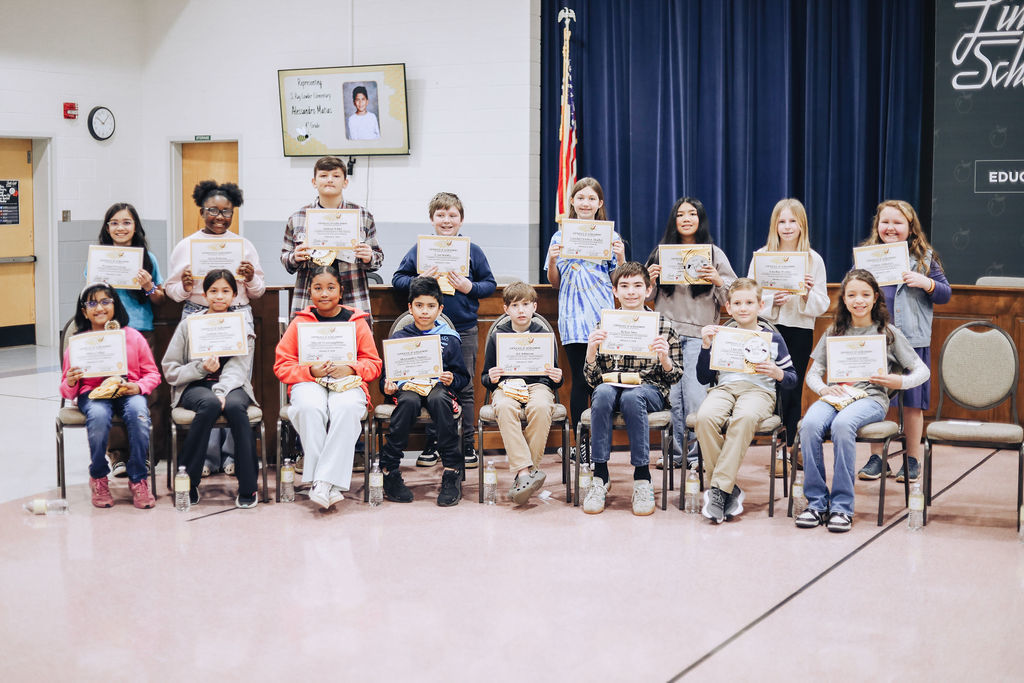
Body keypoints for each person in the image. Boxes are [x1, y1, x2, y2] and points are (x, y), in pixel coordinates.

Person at [795, 269, 929, 533]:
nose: (859, 300)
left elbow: (921, 371)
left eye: (865, 295)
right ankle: (817, 503)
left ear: (875, 297)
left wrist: (898, 382)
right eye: (852, 295)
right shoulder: (834, 331)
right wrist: (823, 389)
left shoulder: (887, 333)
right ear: (844, 299)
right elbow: (812, 374)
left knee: (842, 425)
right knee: (809, 424)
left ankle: (842, 507)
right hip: (836, 396)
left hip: (870, 399)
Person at [165, 180, 265, 476]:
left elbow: (258, 290)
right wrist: (184, 288)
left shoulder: (243, 246)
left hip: (237, 316)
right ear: (201, 210)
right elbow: (171, 290)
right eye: (213, 210)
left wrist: (249, 279)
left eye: (226, 212)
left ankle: (232, 455)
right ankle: (208, 458)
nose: (219, 217)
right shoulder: (186, 246)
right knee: (204, 385)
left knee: (234, 385)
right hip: (199, 317)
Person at [392, 192, 496, 469]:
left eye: (452, 215)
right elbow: (397, 279)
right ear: (432, 219)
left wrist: (468, 287)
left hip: (463, 329)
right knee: (429, 386)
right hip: (425, 331)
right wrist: (419, 278)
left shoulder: (473, 251)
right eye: (441, 215)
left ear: (461, 220)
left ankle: (468, 444)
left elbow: (490, 284)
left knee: (464, 388)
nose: (447, 220)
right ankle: (432, 444)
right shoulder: (419, 249)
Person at [856, 200, 950, 484]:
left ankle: (911, 459)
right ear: (877, 226)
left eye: (898, 223)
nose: (891, 228)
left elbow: (945, 294)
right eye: (885, 222)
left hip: (912, 341)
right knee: (875, 397)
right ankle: (877, 458)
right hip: (876, 339)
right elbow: (854, 290)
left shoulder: (925, 258)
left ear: (910, 228)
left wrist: (926, 283)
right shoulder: (867, 257)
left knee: (912, 402)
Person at [273, 265, 382, 510]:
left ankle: (321, 481)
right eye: (318, 288)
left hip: (346, 381)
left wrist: (352, 368)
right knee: (309, 407)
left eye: (330, 288)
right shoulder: (300, 322)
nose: (324, 293)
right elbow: (282, 366)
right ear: (309, 292)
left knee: (346, 408)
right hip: (310, 380)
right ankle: (329, 483)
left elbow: (373, 364)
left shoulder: (356, 322)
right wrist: (309, 371)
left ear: (341, 292)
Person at [582, 262, 683, 516]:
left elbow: (674, 375)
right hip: (610, 386)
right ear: (615, 291)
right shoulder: (604, 324)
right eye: (624, 286)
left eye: (638, 286)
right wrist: (591, 352)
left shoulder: (663, 325)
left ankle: (642, 477)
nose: (631, 292)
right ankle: (600, 476)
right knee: (603, 392)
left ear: (649, 289)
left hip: (649, 389)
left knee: (632, 396)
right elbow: (592, 380)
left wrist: (665, 358)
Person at [694, 278, 797, 523]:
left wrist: (777, 373)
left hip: (758, 391)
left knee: (745, 417)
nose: (743, 308)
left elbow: (792, 379)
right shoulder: (721, 334)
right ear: (728, 307)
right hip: (725, 389)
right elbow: (703, 377)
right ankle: (728, 488)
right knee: (704, 418)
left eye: (749, 302)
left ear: (760, 305)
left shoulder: (772, 338)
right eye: (737, 303)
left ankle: (718, 491)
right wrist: (706, 346)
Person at [646, 197, 736, 469]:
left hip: (700, 336)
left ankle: (698, 456)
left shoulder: (714, 254)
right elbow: (645, 298)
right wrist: (649, 279)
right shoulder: (661, 253)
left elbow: (733, 297)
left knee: (697, 398)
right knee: (673, 399)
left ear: (700, 219)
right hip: (669, 337)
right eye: (680, 214)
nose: (686, 219)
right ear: (674, 221)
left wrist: (718, 279)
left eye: (692, 214)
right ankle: (675, 455)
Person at [161, 270, 260, 509]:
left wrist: (222, 390)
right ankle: (187, 480)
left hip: (233, 385)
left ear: (235, 295)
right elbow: (170, 368)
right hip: (195, 385)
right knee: (209, 404)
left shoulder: (241, 326)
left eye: (226, 291)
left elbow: (239, 368)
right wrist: (199, 368)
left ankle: (248, 487)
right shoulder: (189, 325)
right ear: (204, 295)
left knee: (237, 407)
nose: (219, 296)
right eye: (213, 291)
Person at [746, 198, 829, 475]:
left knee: (792, 390)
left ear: (802, 224)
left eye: (793, 221)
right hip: (769, 329)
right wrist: (772, 301)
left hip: (800, 329)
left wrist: (805, 294)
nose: (787, 226)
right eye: (782, 221)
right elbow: (748, 297)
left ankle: (791, 448)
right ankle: (777, 449)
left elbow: (823, 304)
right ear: (775, 225)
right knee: (772, 389)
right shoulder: (761, 255)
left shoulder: (813, 259)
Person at [545, 177, 626, 457]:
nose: (586, 203)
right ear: (572, 202)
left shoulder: (611, 236)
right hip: (572, 317)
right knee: (579, 383)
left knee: (602, 383)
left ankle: (600, 443)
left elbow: (619, 280)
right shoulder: (559, 237)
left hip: (601, 317)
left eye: (592, 198)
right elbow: (554, 282)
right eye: (581, 198)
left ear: (600, 203)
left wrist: (622, 257)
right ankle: (581, 444)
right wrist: (554, 259)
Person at [60, 284, 159, 509]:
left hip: (127, 389)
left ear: (115, 305)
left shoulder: (133, 337)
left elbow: (153, 374)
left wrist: (139, 387)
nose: (100, 308)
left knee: (138, 412)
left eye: (106, 301)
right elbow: (66, 390)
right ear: (84, 311)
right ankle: (98, 476)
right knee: (98, 417)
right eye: (92, 303)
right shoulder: (78, 343)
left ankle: (138, 477)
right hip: (93, 393)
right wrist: (72, 381)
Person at [89, 202, 167, 478]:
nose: (120, 228)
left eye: (126, 222)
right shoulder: (98, 258)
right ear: (107, 227)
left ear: (136, 226)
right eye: (114, 222)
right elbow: (90, 299)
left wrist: (148, 287)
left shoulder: (148, 258)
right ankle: (118, 456)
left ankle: (147, 454)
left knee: (148, 394)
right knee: (112, 393)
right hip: (108, 335)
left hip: (142, 333)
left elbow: (159, 299)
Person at [378, 277, 470, 507]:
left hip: (437, 388)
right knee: (408, 401)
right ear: (410, 308)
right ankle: (389, 469)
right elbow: (385, 378)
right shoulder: (399, 338)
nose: (425, 312)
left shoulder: (449, 339)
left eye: (431, 306)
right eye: (419, 306)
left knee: (439, 398)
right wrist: (387, 386)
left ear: (440, 309)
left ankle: (451, 470)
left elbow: (462, 378)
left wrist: (451, 378)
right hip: (407, 388)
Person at [480, 281, 563, 504]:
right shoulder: (498, 335)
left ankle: (525, 474)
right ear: (506, 309)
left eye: (526, 304)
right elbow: (485, 378)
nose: (521, 310)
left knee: (542, 406)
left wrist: (558, 377)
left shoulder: (544, 333)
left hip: (538, 385)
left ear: (534, 307)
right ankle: (526, 474)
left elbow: (555, 377)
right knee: (505, 407)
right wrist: (492, 377)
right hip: (507, 386)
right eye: (515, 305)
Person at [280, 155, 383, 319]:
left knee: (355, 343)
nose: (329, 180)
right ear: (314, 182)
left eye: (336, 176)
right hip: (310, 300)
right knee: (308, 342)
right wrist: (295, 257)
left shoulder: (363, 216)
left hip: (353, 297)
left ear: (345, 182)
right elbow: (285, 258)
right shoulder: (298, 217)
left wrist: (369, 256)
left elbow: (378, 258)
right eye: (323, 176)